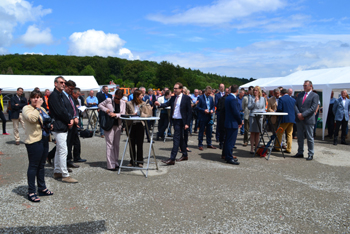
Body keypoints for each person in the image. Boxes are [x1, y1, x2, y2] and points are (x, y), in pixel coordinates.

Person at [22, 90, 54, 202]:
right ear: (30, 99)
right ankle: (31, 191)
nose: (36, 99)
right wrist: (38, 108)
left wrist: (50, 126)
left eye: (39, 97)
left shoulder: (42, 109)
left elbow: (46, 120)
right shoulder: (27, 109)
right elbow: (32, 119)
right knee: (33, 166)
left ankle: (42, 188)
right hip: (33, 140)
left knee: (41, 165)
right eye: (34, 97)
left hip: (44, 139)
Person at [48, 76, 78, 183]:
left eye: (64, 82)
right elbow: (60, 111)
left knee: (59, 149)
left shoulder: (59, 95)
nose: (63, 84)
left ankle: (57, 171)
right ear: (55, 83)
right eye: (61, 82)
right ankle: (65, 174)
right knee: (63, 150)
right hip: (59, 125)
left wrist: (70, 118)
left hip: (62, 124)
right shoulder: (54, 96)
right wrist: (69, 119)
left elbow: (66, 109)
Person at [154, 82, 192, 165]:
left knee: (176, 138)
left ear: (181, 89)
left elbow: (189, 112)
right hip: (174, 120)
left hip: (181, 121)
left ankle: (172, 158)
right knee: (180, 138)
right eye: (174, 88)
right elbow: (167, 104)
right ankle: (185, 155)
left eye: (176, 88)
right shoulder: (173, 98)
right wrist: (159, 104)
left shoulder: (186, 98)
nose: (174, 90)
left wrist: (187, 123)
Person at [99, 89, 126, 170]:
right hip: (109, 125)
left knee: (116, 145)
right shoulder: (109, 100)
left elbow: (123, 113)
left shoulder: (123, 103)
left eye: (119, 98)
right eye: (116, 98)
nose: (117, 100)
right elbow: (100, 105)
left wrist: (116, 115)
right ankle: (110, 164)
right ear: (114, 95)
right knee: (109, 144)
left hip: (118, 125)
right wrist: (106, 110)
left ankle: (116, 162)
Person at [293, 80, 319, 160]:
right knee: (300, 136)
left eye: (306, 85)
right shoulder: (300, 95)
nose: (304, 87)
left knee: (309, 137)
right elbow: (295, 105)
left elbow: (313, 108)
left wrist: (303, 114)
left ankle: (310, 153)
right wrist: (298, 114)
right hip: (299, 119)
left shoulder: (315, 95)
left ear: (310, 86)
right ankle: (300, 152)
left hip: (308, 119)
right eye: (303, 85)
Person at [125, 90, 146, 167]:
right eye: (141, 95)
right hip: (131, 125)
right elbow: (125, 114)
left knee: (140, 144)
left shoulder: (144, 104)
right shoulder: (129, 103)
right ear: (137, 96)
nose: (142, 97)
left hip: (140, 124)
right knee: (131, 143)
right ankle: (132, 160)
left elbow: (146, 114)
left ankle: (140, 161)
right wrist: (132, 114)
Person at [224, 85, 243, 165]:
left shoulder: (228, 97)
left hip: (229, 122)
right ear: (237, 90)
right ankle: (229, 157)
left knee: (228, 141)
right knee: (230, 142)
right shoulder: (233, 99)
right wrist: (240, 121)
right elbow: (236, 112)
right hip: (232, 123)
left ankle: (228, 156)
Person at [274, 89, 296, 153]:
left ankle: (277, 147)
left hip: (284, 118)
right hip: (292, 119)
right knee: (289, 134)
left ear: (281, 93)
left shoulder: (281, 99)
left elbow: (280, 109)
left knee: (280, 133)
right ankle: (289, 149)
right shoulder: (293, 100)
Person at [248, 86, 266, 154]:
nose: (255, 91)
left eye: (256, 90)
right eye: (254, 90)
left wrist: (261, 111)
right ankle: (252, 148)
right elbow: (249, 107)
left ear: (259, 91)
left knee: (258, 133)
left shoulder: (263, 99)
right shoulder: (251, 97)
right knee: (252, 132)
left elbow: (264, 108)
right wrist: (254, 102)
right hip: (253, 116)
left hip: (260, 116)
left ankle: (257, 147)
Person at [197, 86, 216, 150]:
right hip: (202, 116)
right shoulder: (200, 97)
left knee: (209, 131)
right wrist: (203, 110)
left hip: (209, 116)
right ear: (205, 91)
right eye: (208, 93)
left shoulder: (211, 98)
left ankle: (209, 143)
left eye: (210, 93)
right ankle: (200, 144)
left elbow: (213, 106)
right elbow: (197, 107)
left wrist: (212, 110)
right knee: (201, 131)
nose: (209, 94)